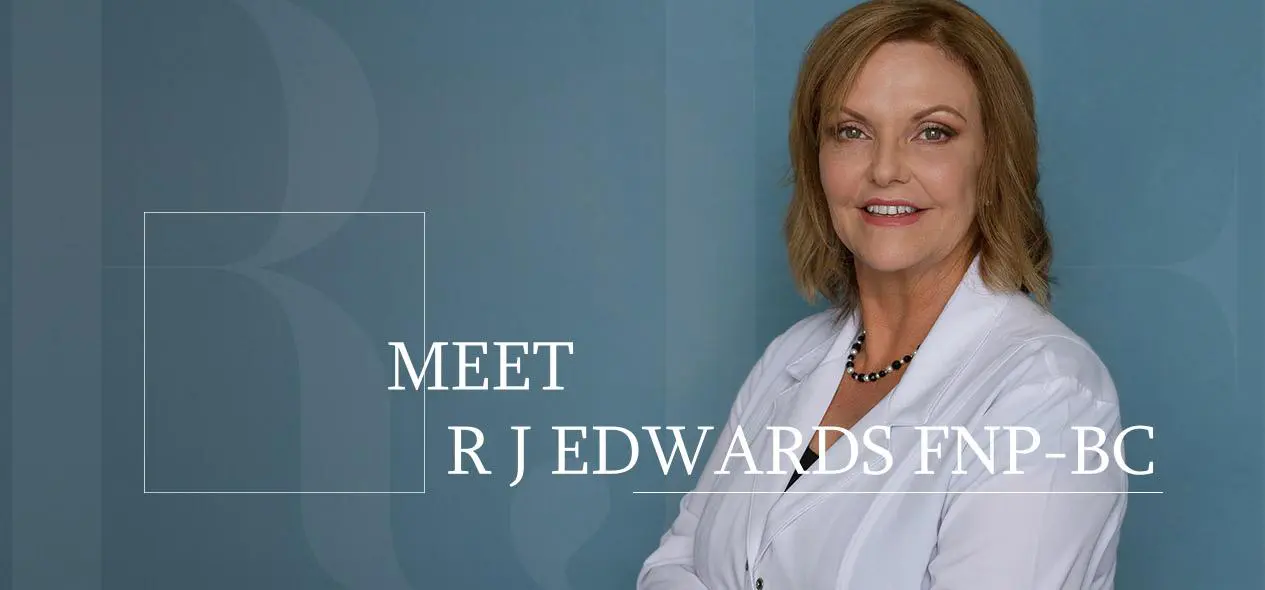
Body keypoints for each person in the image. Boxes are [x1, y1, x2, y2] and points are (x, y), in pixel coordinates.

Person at [636, 0, 1128, 588]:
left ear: (993, 161)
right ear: (817, 161)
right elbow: (672, 566)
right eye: (852, 131)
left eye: (933, 132)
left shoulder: (1050, 394)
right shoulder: (790, 358)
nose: (885, 169)